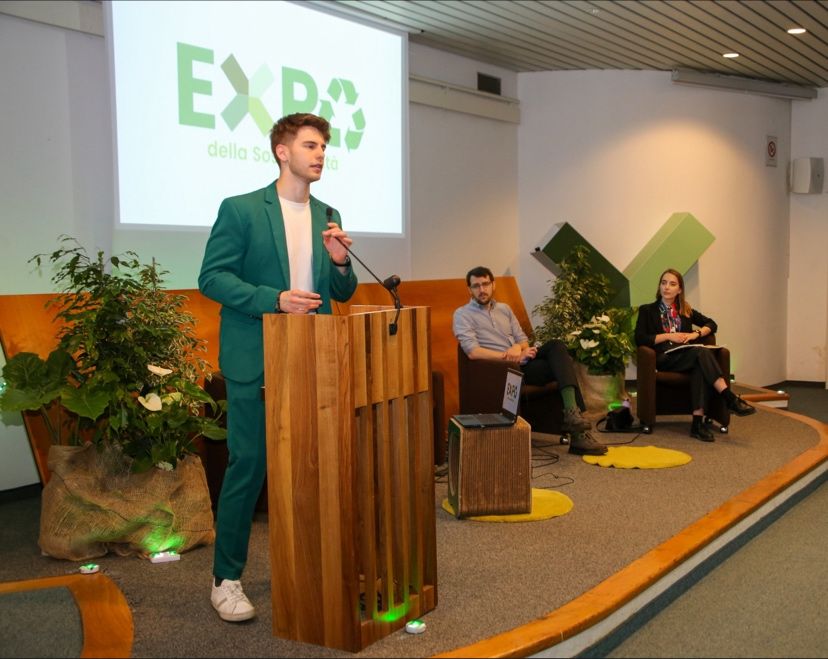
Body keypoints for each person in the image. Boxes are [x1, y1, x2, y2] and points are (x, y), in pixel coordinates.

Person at [198, 113, 358, 622]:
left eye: (324, 146)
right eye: (310, 145)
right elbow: (212, 278)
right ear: (282, 152)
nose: (320, 154)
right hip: (255, 355)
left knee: (312, 465)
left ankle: (309, 567)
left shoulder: (327, 213)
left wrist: (339, 261)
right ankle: (226, 579)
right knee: (248, 465)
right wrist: (275, 299)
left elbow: (341, 292)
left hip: (312, 355)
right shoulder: (242, 209)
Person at [452, 266, 607, 456]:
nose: (482, 290)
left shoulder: (504, 309)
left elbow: (523, 340)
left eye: (485, 284)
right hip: (500, 373)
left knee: (557, 348)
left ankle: (572, 417)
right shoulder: (462, 314)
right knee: (560, 365)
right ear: (469, 289)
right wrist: (509, 356)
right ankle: (578, 435)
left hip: (522, 365)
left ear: (493, 285)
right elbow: (473, 352)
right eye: (476, 286)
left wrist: (519, 349)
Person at [634, 268, 755, 442]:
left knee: (699, 364)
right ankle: (729, 398)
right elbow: (640, 338)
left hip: (687, 356)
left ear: (679, 290)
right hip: (663, 358)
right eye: (664, 283)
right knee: (701, 353)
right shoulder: (647, 310)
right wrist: (668, 336)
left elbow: (712, 324)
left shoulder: (686, 310)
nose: (666, 287)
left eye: (672, 284)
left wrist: (695, 334)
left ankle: (697, 425)